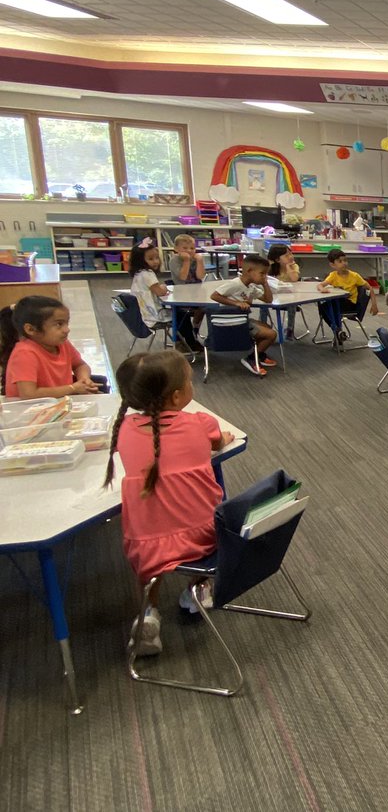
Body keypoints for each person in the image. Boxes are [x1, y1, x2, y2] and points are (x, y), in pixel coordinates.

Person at [102, 351, 235, 656]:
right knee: (200, 509)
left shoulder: (123, 430)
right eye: (189, 381)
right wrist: (223, 438)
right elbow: (218, 440)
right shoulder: (199, 422)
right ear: (177, 397)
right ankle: (198, 589)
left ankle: (149, 611)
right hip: (205, 538)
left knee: (151, 555)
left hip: (147, 546)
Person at [1, 295, 99, 398]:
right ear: (31, 329)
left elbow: (80, 365)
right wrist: (72, 388)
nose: (67, 329)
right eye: (59, 324)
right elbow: (28, 394)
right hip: (28, 411)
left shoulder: (63, 344)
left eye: (67, 323)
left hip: (58, 406)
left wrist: (84, 380)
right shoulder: (24, 353)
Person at [209, 254, 277, 376]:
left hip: (242, 319)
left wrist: (265, 283)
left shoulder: (250, 287)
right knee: (271, 334)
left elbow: (268, 299)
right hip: (232, 320)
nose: (264, 276)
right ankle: (251, 358)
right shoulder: (235, 283)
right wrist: (236, 303)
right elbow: (214, 295)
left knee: (266, 326)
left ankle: (259, 354)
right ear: (249, 271)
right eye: (262, 273)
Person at [129, 244, 203, 354]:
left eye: (156, 258)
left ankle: (181, 342)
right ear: (140, 260)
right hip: (154, 314)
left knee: (179, 313)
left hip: (144, 313)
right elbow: (159, 291)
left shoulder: (138, 274)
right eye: (150, 259)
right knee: (183, 315)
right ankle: (189, 343)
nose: (155, 262)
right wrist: (163, 288)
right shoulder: (148, 274)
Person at [318, 249, 380, 345]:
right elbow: (320, 285)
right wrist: (322, 289)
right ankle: (338, 331)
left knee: (330, 304)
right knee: (323, 304)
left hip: (350, 304)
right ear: (332, 265)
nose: (344, 263)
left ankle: (336, 330)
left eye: (345, 260)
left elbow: (370, 288)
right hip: (338, 303)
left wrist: (374, 305)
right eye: (340, 261)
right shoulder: (333, 275)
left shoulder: (354, 276)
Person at [168, 234, 208, 332]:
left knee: (206, 307)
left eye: (192, 248)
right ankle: (187, 335)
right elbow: (183, 277)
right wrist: (186, 261)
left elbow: (200, 276)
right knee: (185, 312)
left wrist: (200, 261)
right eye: (185, 248)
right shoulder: (174, 260)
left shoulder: (196, 259)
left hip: (197, 293)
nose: (189, 251)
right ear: (176, 249)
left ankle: (195, 328)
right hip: (182, 294)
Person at [266, 244, 302, 340]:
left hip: (289, 296)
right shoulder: (271, 268)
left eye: (291, 254)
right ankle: (263, 325)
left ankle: (290, 329)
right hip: (274, 295)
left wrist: (288, 267)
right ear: (277, 260)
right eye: (287, 255)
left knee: (292, 305)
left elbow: (294, 279)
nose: (291, 257)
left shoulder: (294, 267)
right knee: (263, 304)